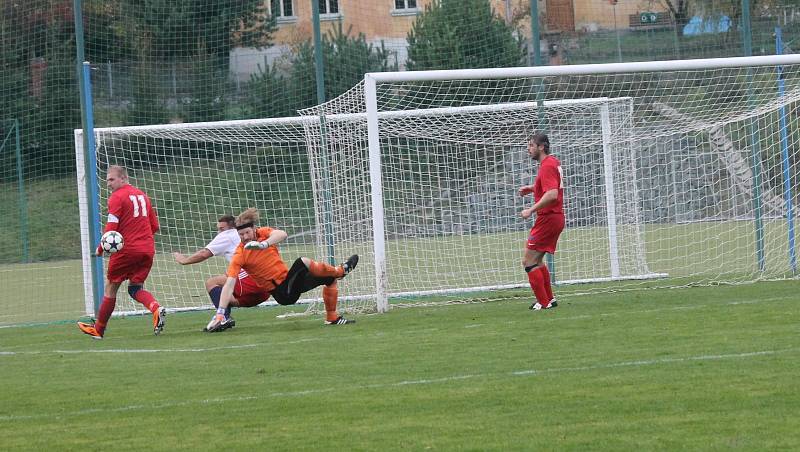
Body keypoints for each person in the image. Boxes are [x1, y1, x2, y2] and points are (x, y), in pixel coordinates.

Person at [204, 208, 358, 332]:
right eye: (241, 234)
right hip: (282, 292)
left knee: (329, 279)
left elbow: (282, 234)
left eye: (247, 233)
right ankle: (340, 271)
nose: (244, 237)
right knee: (302, 262)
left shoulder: (263, 234)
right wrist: (220, 312)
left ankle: (333, 318)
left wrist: (264, 244)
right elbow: (229, 284)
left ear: (254, 229)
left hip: (290, 282)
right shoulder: (240, 254)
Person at [77, 165, 166, 338]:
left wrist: (101, 248)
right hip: (147, 249)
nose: (108, 184)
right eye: (107, 180)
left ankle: (98, 329)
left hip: (127, 250)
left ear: (123, 178)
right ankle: (156, 308)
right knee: (135, 287)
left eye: (111, 179)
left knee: (111, 287)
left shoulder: (116, 197)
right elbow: (155, 226)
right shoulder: (143, 196)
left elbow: (112, 227)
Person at [173, 215, 269, 330]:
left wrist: (184, 260)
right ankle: (224, 316)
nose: (219, 232)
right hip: (265, 290)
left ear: (231, 227)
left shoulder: (227, 235)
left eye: (221, 229)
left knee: (212, 283)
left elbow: (204, 253)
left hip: (251, 280)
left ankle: (223, 317)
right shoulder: (248, 234)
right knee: (227, 287)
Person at [518, 133, 565, 311]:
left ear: (541, 147)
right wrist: (532, 188)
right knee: (536, 261)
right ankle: (549, 300)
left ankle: (543, 303)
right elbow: (552, 186)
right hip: (553, 218)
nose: (528, 149)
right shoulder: (552, 162)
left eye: (531, 145)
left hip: (549, 218)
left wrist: (531, 209)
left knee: (528, 261)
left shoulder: (547, 165)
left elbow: (552, 194)